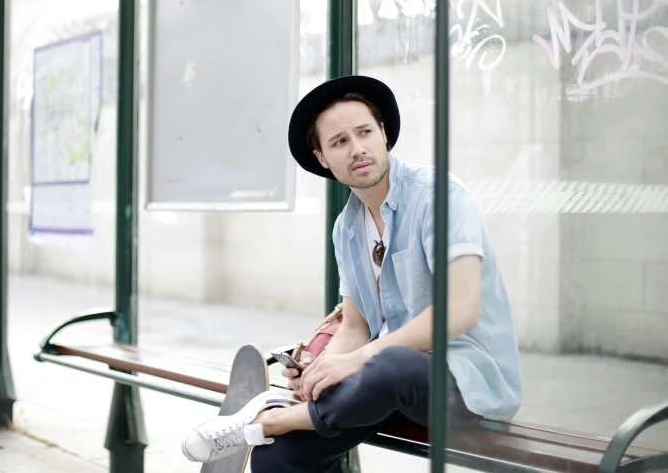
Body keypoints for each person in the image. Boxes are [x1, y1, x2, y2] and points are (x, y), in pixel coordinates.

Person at [180, 75, 522, 471]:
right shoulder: (346, 227)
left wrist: (356, 360)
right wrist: (320, 370)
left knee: (392, 363)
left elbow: (460, 311)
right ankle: (280, 417)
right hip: (376, 389)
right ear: (322, 157)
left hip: (462, 387)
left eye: (364, 133)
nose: (357, 149)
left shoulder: (438, 195)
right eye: (339, 142)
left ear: (384, 134)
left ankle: (275, 416)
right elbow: (355, 326)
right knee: (278, 457)